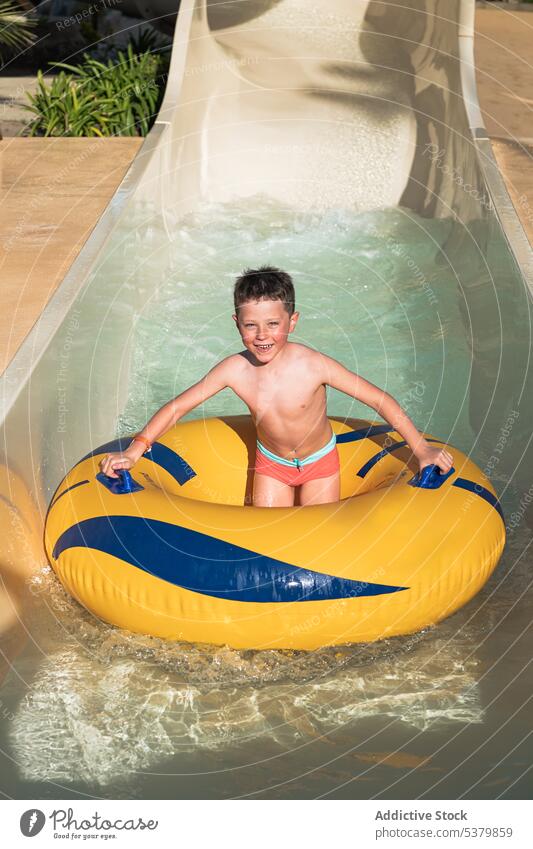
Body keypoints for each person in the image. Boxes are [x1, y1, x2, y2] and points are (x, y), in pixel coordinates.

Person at [100, 266, 453, 507]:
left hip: (320, 462)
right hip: (271, 465)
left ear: (292, 322)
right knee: (270, 540)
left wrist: (421, 450)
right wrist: (135, 451)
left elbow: (379, 400)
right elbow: (178, 407)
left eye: (272, 323)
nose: (262, 335)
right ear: (237, 324)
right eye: (251, 326)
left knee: (321, 538)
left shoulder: (312, 365)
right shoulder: (235, 370)